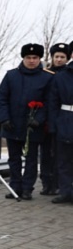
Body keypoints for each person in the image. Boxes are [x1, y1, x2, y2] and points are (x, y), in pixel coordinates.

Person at [0, 43, 54, 200]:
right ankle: (15, 187)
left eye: (35, 58)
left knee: (31, 159)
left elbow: (49, 102)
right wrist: (4, 118)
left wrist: (39, 119)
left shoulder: (47, 77)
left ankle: (27, 188)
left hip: (33, 127)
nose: (31, 61)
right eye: (28, 57)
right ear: (23, 58)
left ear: (40, 59)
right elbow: (2, 99)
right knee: (13, 158)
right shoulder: (11, 75)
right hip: (12, 124)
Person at [40, 42, 70, 196]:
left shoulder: (67, 74)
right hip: (45, 118)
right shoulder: (45, 73)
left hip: (63, 119)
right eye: (56, 56)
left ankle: (59, 184)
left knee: (60, 155)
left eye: (62, 57)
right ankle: (47, 183)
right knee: (46, 153)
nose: (59, 59)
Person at [48, 49, 73, 204]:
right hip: (66, 120)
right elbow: (53, 102)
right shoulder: (62, 76)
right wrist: (54, 125)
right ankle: (66, 192)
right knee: (64, 160)